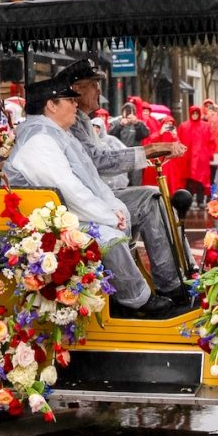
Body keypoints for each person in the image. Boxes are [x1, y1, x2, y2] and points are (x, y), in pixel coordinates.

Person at [4, 79, 176, 316]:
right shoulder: (39, 139)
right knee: (109, 237)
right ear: (51, 105)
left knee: (144, 202)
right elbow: (69, 189)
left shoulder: (58, 133)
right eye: (69, 100)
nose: (76, 105)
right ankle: (135, 302)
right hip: (47, 223)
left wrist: (113, 207)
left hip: (66, 213)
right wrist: (108, 216)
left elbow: (91, 179)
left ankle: (170, 284)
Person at [60, 59, 187, 301]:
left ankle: (175, 277)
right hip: (80, 203)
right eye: (93, 84)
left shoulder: (82, 120)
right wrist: (149, 150)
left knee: (152, 195)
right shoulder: (72, 123)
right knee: (150, 198)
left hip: (94, 194)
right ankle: (167, 285)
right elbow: (99, 160)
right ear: (76, 89)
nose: (99, 90)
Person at [177, 106, 216, 207]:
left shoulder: (205, 126)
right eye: (193, 113)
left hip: (201, 159)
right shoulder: (184, 126)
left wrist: (210, 154)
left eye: (196, 113)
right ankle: (188, 201)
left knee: (201, 181)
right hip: (188, 158)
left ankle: (200, 200)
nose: (195, 115)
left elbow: (211, 141)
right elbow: (179, 140)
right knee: (189, 182)